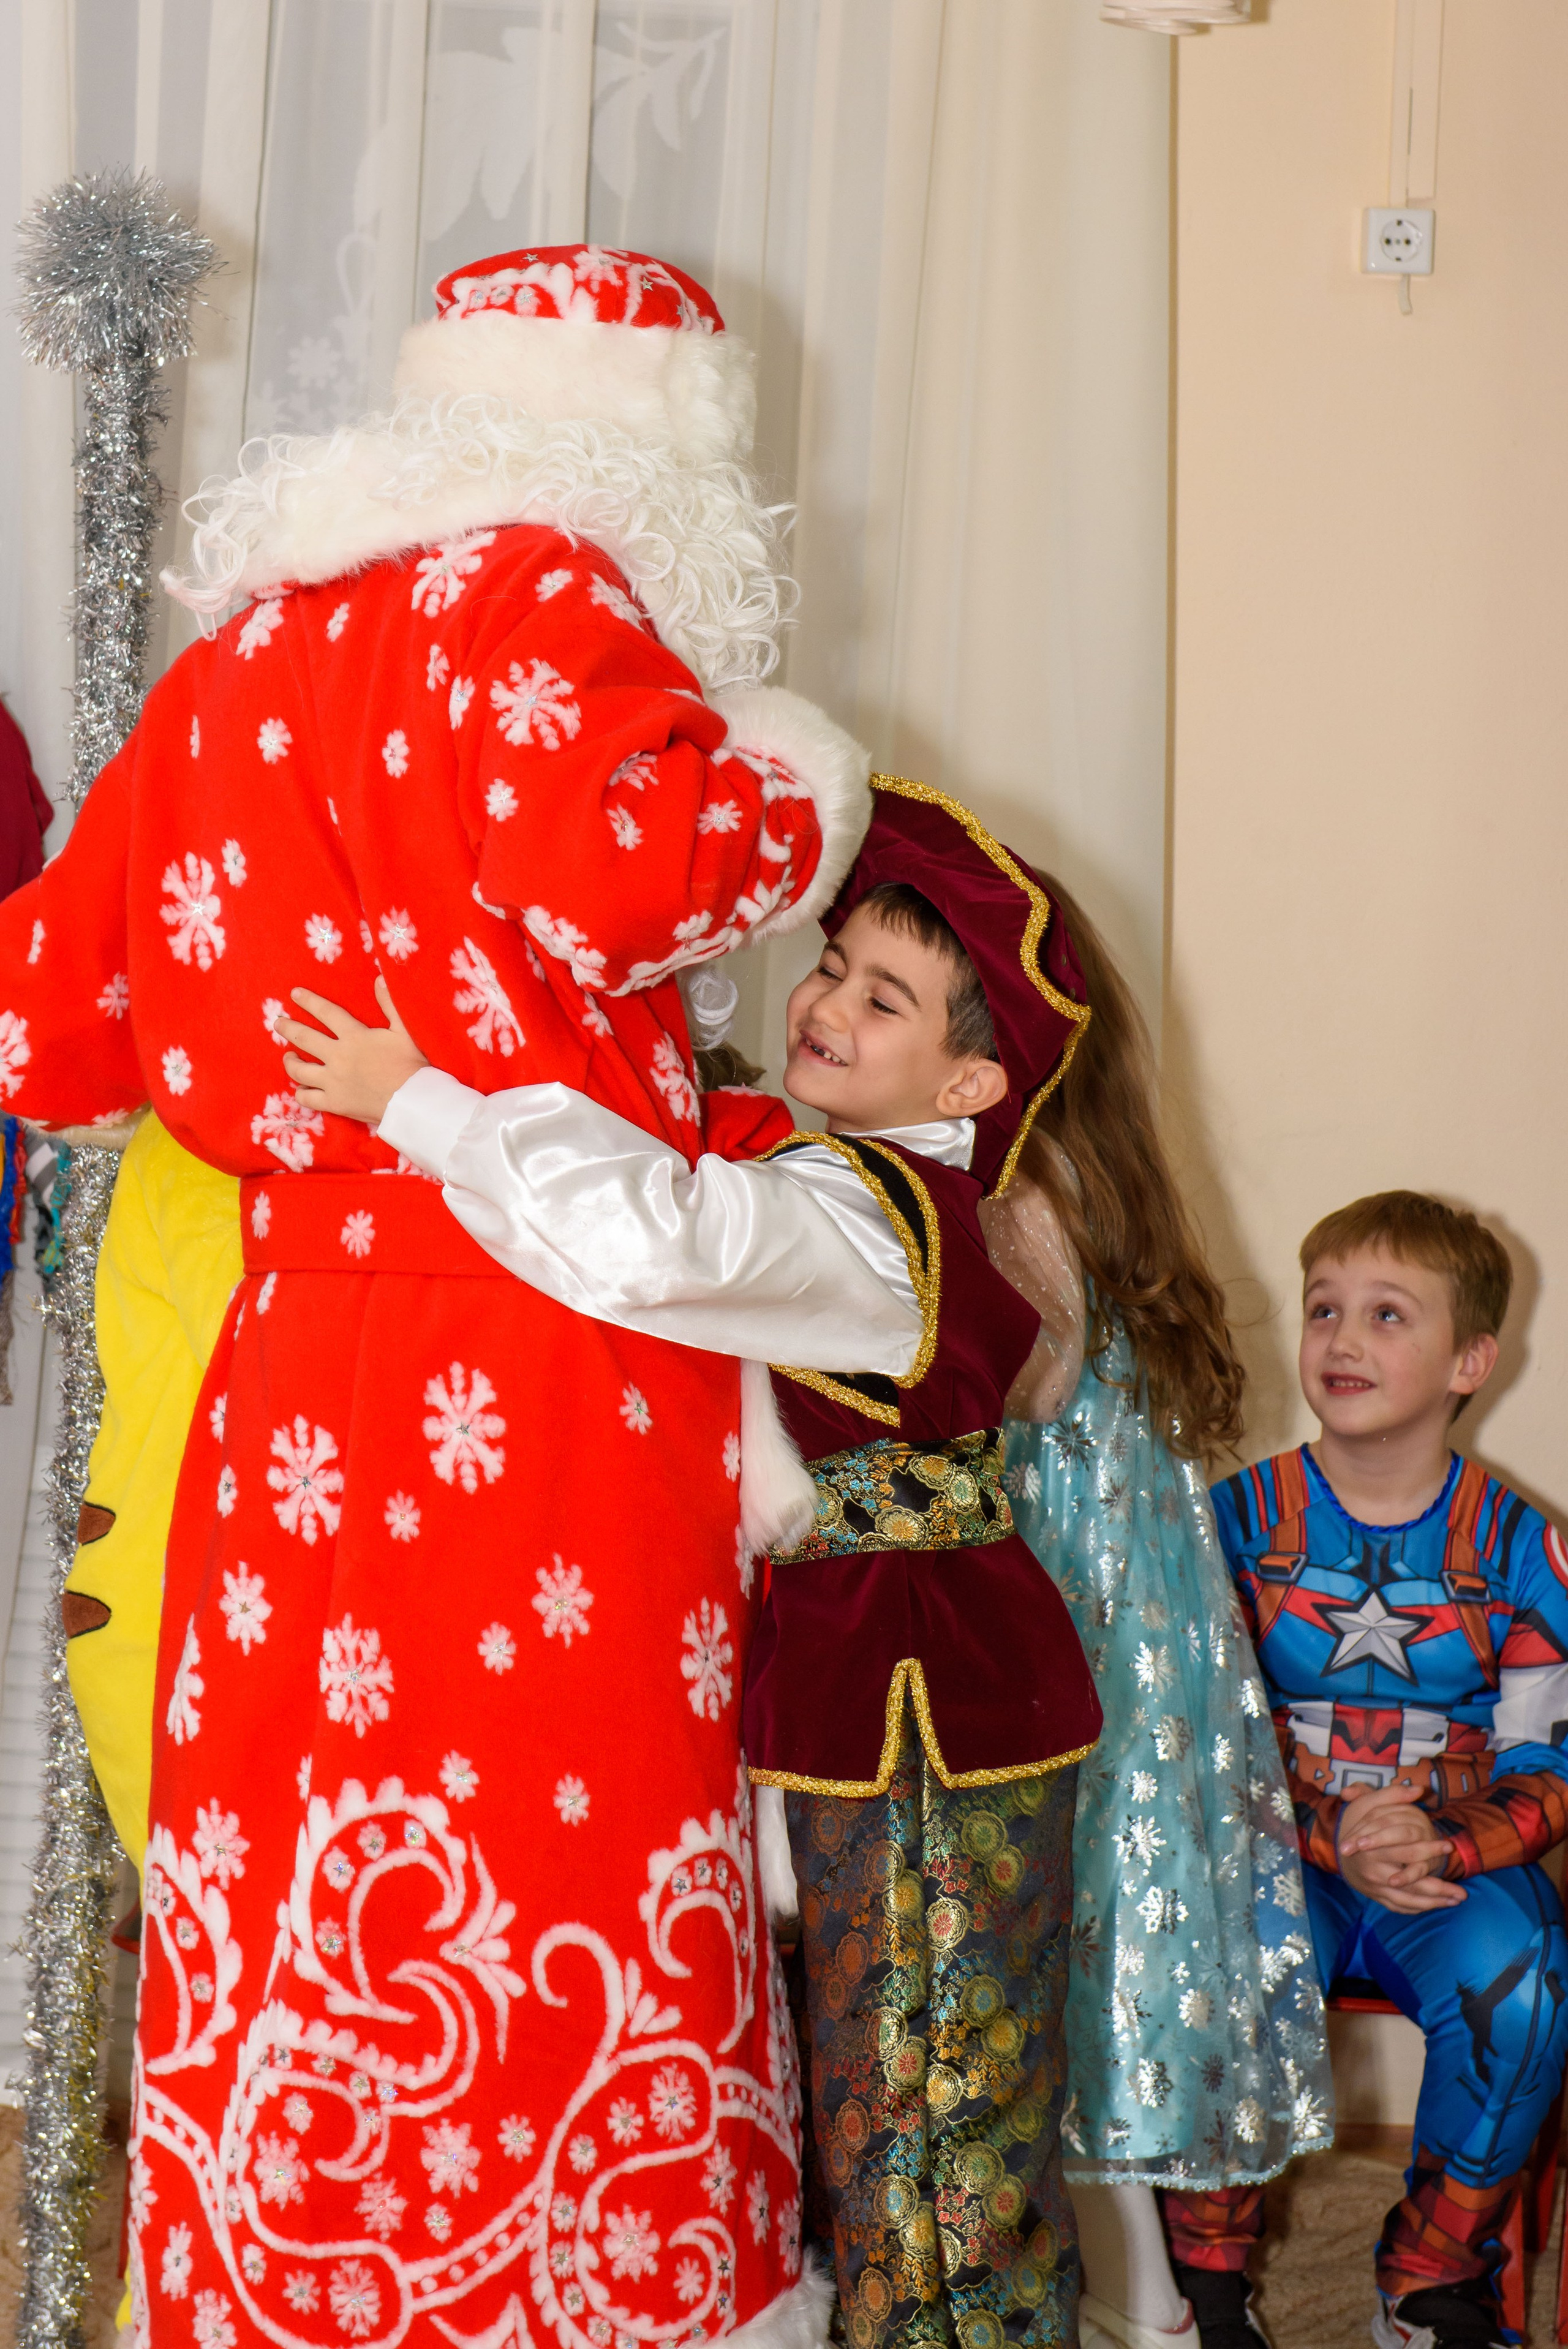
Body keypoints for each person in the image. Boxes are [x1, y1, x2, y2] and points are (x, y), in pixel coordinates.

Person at [0, 243, 872, 2347]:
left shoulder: (246, 659)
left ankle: (287, 2278)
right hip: (541, 1332)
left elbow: (56, 1024)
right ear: (655, 446)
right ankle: (574, 2285)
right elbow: (635, 867)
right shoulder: (544, 596)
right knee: (561, 1807)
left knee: (293, 1828)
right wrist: (796, 782)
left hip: (298, 1351)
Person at [277, 775, 1106, 2349]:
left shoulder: (856, 1220)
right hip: (900, 1672)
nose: (829, 1006)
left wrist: (421, 1101)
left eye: (886, 995)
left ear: (974, 1068)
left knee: (928, 2117)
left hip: (923, 1696)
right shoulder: (881, 1187)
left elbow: (660, 1241)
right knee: (886, 2093)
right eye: (833, 964)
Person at [991, 882, 1332, 2349]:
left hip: (1069, 1618)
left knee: (1076, 1940)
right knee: (1113, 1944)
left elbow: (1009, 1395)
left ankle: (1145, 2300)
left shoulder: (1017, 1195)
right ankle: (1160, 2291)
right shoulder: (1087, 1173)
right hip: (1130, 1620)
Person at [1202, 1192, 1568, 2349]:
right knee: (1208, 1949)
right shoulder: (1227, 1525)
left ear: (1473, 1359)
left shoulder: (1525, 1547)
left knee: (1528, 1982)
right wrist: (1331, 1835)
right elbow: (1192, 1737)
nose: (1344, 1339)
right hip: (1274, 1854)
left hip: (1445, 1871)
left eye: (1387, 1314)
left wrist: (1449, 1845)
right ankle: (1207, 2265)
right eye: (1325, 1309)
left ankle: (1431, 2273)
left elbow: (1548, 1757)